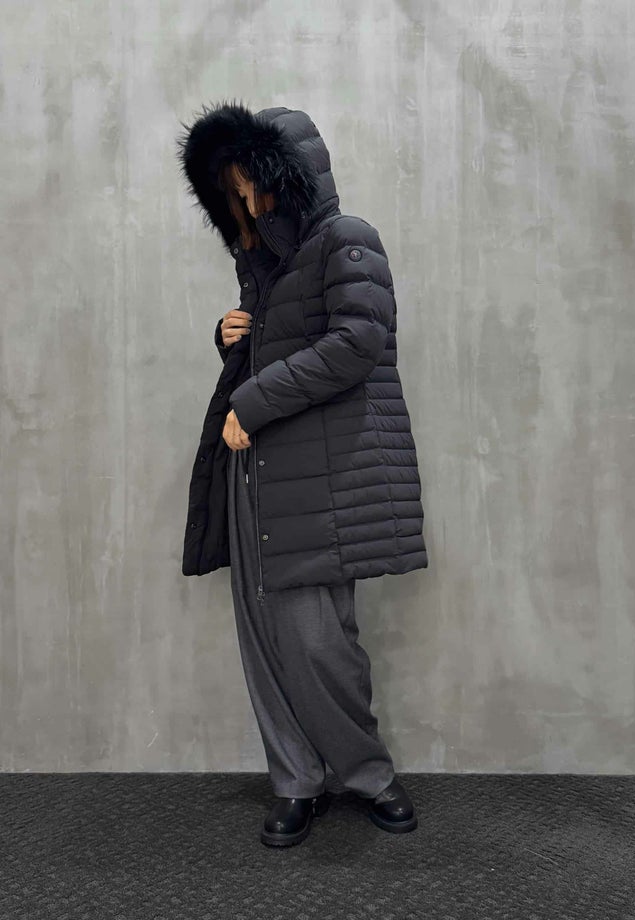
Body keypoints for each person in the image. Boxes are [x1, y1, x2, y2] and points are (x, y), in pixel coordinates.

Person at [176, 101, 428, 847]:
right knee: (264, 639)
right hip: (254, 473)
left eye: (249, 184)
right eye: (231, 191)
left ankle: (369, 774)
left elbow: (356, 345)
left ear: (284, 175)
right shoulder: (260, 264)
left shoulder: (347, 241)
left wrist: (251, 401)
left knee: (320, 641)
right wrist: (230, 335)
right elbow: (278, 347)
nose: (244, 202)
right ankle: (295, 780)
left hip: (319, 479)